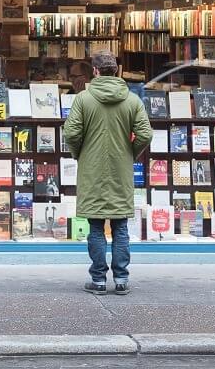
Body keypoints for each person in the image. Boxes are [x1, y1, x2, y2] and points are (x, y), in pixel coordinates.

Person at [62, 51, 151, 296]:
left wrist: (80, 153)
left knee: (96, 226)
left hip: (92, 170)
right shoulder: (132, 100)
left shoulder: (83, 99)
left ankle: (98, 279)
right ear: (117, 71)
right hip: (120, 170)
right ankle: (121, 279)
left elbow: (70, 133)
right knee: (121, 226)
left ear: (96, 71)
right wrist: (130, 154)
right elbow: (145, 134)